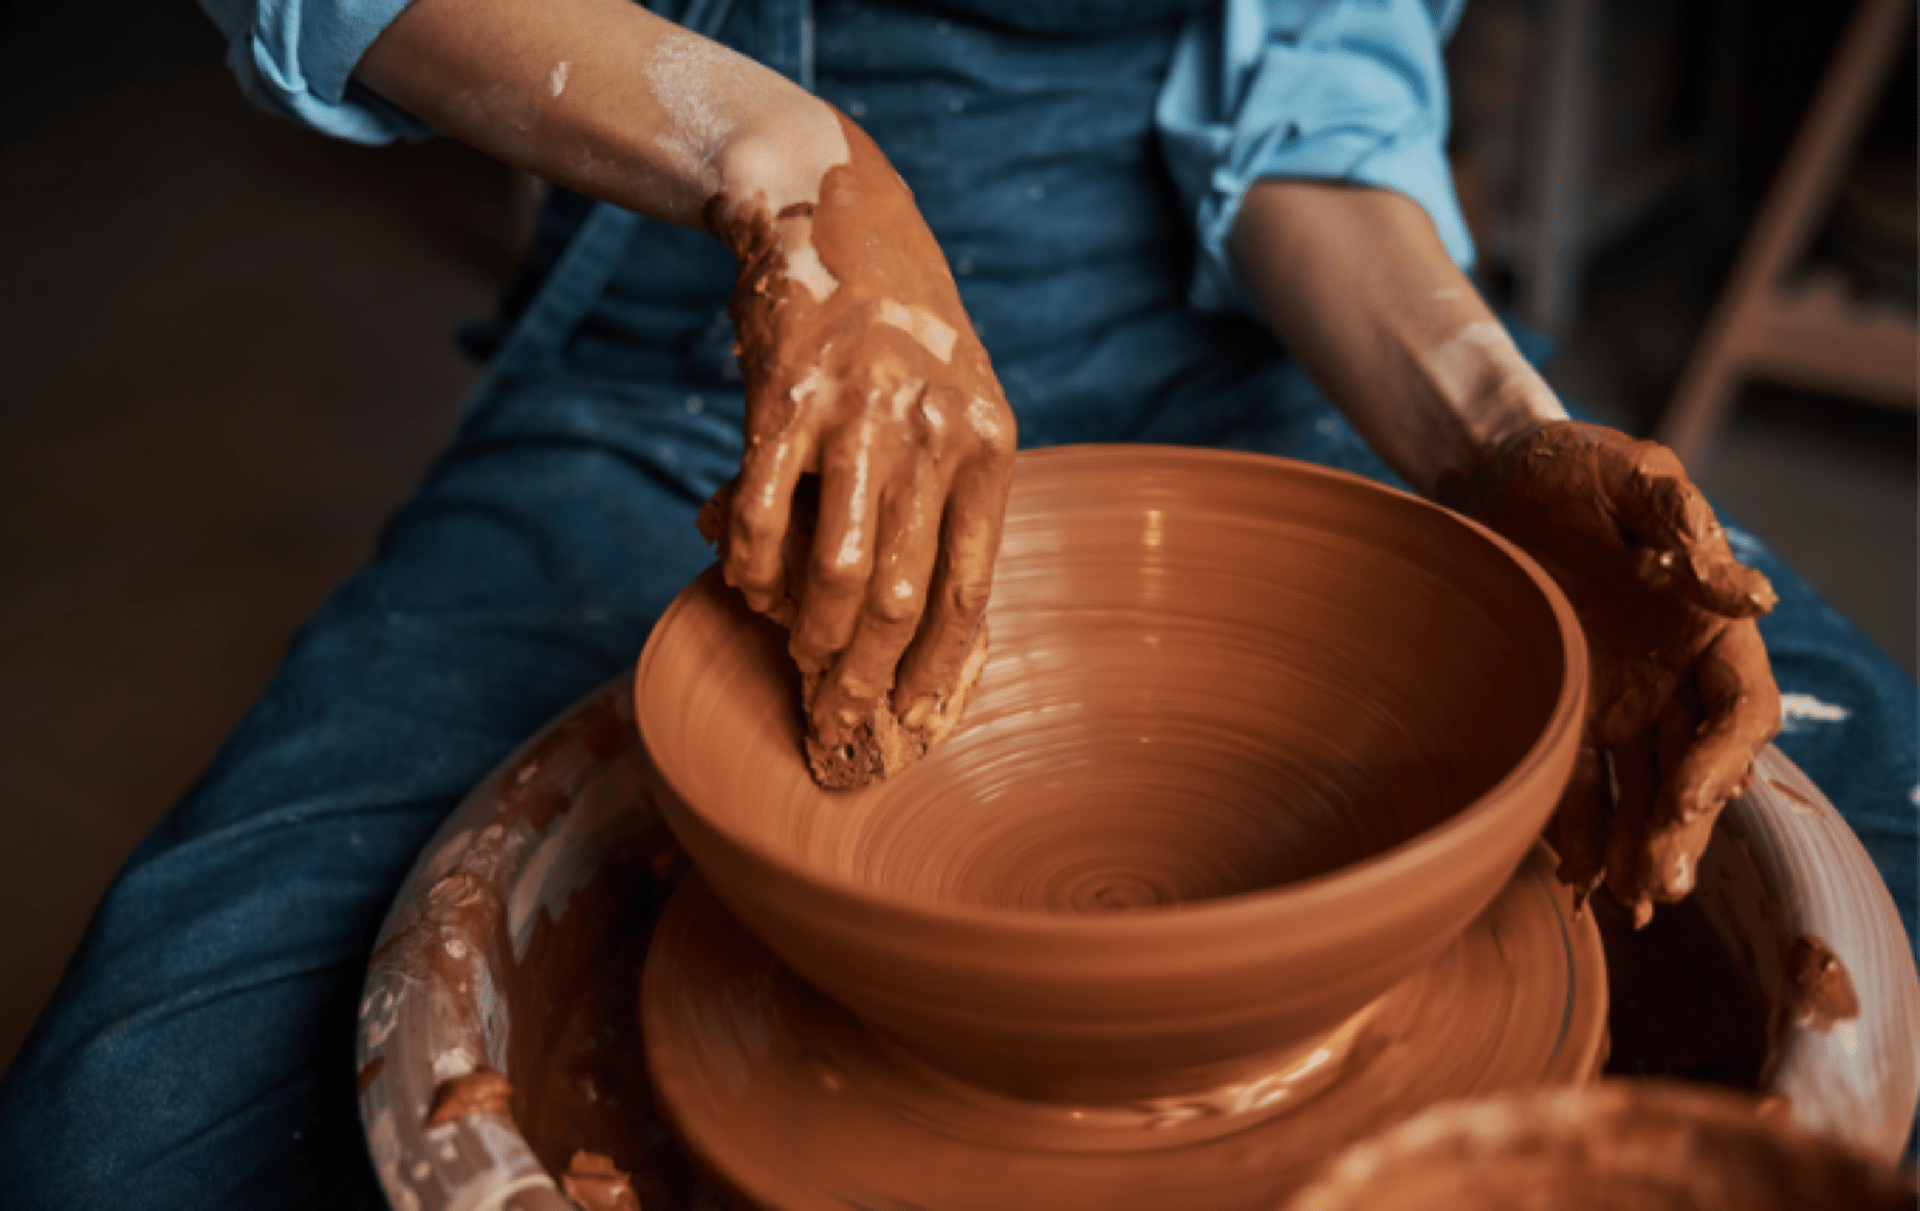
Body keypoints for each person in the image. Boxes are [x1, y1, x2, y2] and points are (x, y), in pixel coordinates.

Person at [0, 0, 1911, 1204]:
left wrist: (1491, 430)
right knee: (130, 1127)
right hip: (707, 356)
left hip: (1250, 349)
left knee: (1872, 834)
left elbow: (1315, 112)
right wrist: (777, 160)